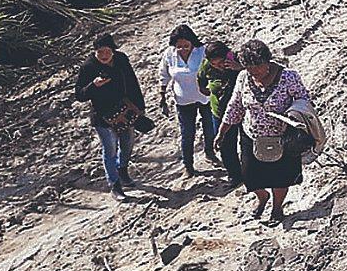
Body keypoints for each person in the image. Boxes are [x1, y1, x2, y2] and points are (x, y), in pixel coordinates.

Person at [217, 39, 311, 224]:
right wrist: (222, 131)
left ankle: (277, 208)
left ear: (267, 61)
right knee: (250, 177)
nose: (255, 73)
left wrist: (294, 117)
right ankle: (262, 198)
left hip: (282, 137)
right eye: (250, 68)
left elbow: (304, 101)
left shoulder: (288, 77)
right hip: (251, 136)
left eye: (258, 67)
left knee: (281, 178)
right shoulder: (243, 77)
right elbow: (235, 105)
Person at [73, 33, 145, 200]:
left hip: (125, 110)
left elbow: (133, 82)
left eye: (107, 51)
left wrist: (140, 107)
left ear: (113, 50)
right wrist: (93, 86)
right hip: (102, 116)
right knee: (110, 149)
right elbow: (79, 94)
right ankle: (114, 185)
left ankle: (123, 170)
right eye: (100, 52)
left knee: (127, 143)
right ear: (95, 52)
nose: (104, 55)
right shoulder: (89, 67)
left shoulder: (121, 60)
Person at [157, 24, 214, 176]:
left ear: (192, 42)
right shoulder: (169, 54)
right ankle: (188, 164)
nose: (182, 49)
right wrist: (162, 94)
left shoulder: (202, 52)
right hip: (183, 99)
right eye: (179, 46)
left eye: (186, 46)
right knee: (187, 132)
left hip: (205, 96)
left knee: (210, 127)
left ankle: (210, 152)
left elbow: (214, 67)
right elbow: (164, 74)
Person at [198, 40, 243, 186]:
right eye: (214, 64)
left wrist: (240, 68)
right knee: (225, 145)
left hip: (242, 111)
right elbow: (200, 79)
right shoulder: (206, 66)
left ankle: (250, 171)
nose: (218, 66)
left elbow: (256, 75)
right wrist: (206, 91)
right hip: (220, 112)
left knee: (246, 143)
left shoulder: (237, 59)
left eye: (221, 62)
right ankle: (234, 175)